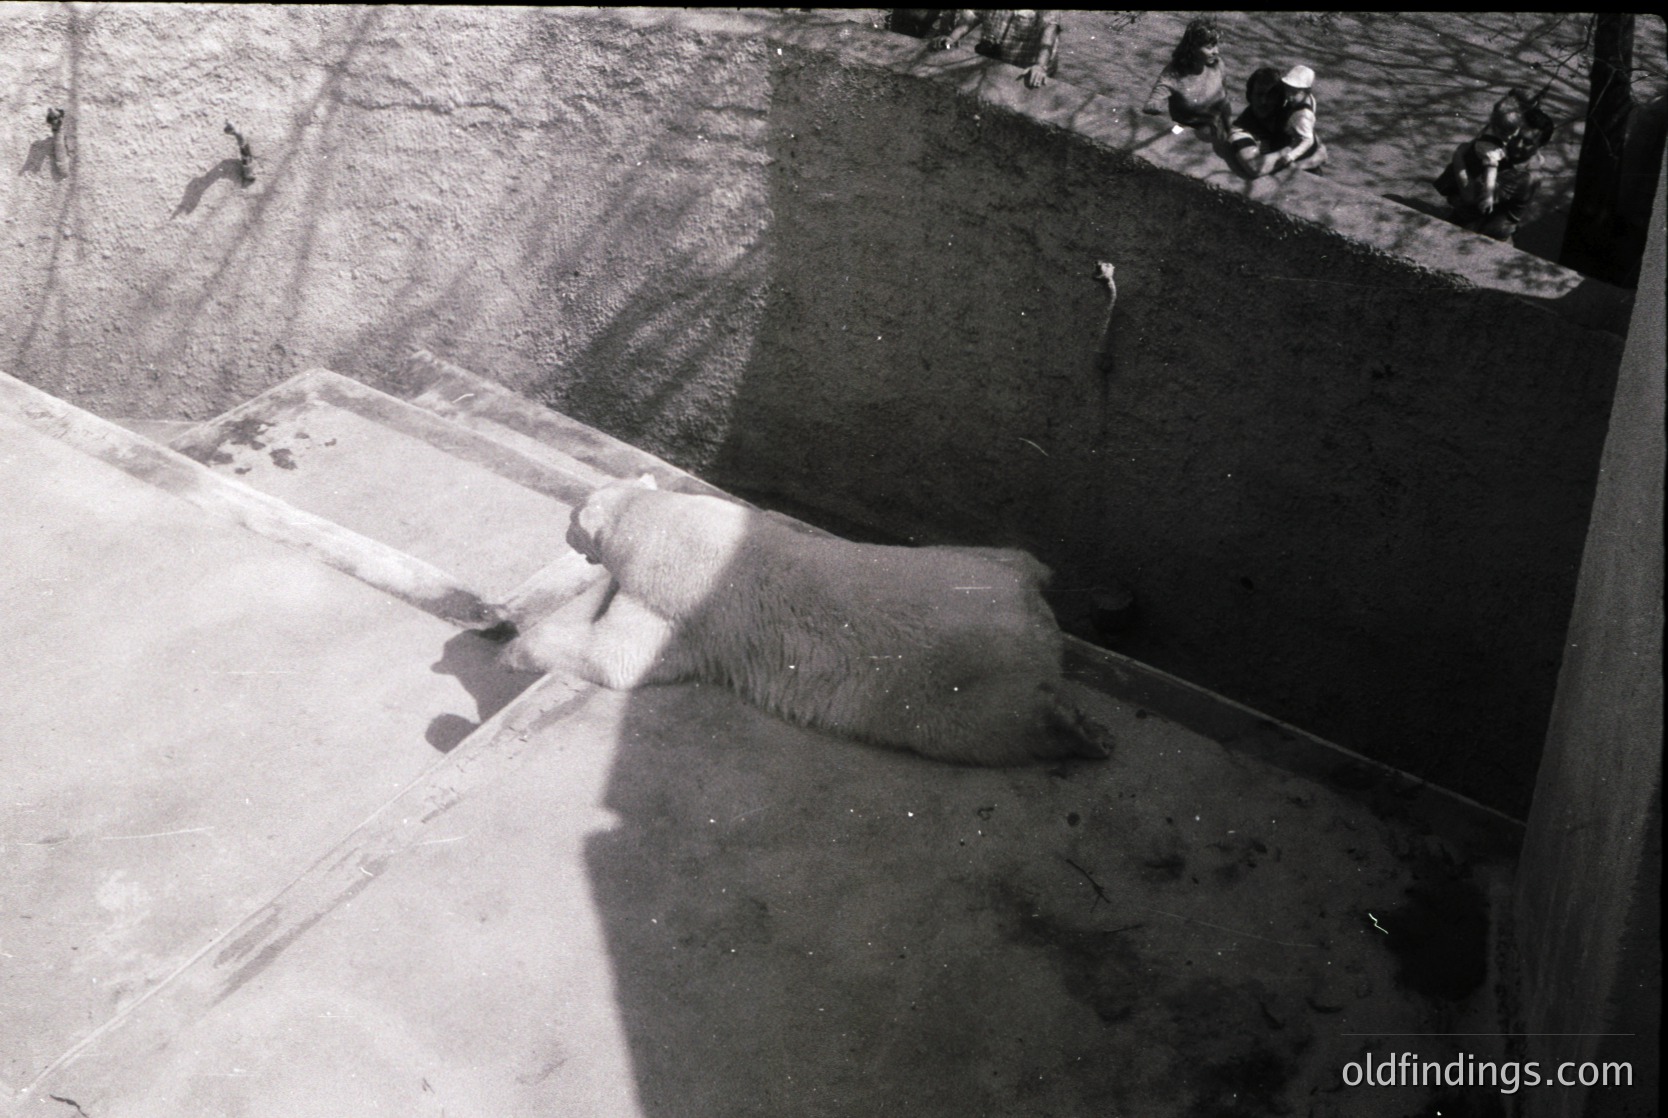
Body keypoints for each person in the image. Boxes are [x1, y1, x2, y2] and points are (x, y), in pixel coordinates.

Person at [1433, 88, 1554, 242]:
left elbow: (1470, 196)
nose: (1517, 145)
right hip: (1467, 220)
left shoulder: (1523, 177)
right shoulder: (1510, 147)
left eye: (1528, 143)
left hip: (1482, 238)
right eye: (1517, 137)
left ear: (1541, 145)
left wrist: (1458, 157)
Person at [1228, 64, 1327, 177]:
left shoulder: (1291, 114)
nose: (1264, 101)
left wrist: (1298, 164)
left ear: (1281, 97)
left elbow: (1321, 152)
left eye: (1271, 95)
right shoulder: (1241, 129)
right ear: (1249, 96)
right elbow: (1256, 167)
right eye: (1259, 95)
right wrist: (1292, 148)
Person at [1142, 18, 1232, 140]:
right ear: (1193, 48)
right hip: (1183, 128)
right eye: (1209, 47)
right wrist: (1154, 105)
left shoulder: (1217, 64)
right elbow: (1156, 97)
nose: (1216, 51)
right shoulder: (1175, 72)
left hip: (1215, 124)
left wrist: (1229, 128)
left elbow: (1225, 97)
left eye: (1216, 45)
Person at [932, 10, 1062, 89]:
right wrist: (951, 38)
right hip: (993, 62)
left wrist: (1040, 66)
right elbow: (972, 15)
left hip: (1025, 69)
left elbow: (1049, 32)